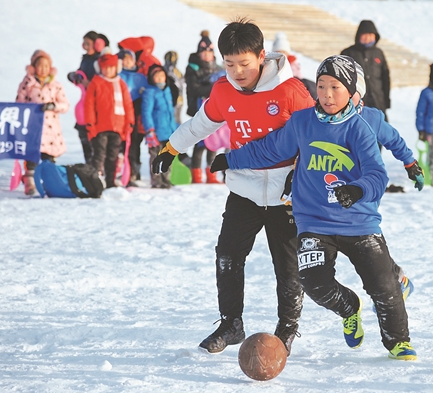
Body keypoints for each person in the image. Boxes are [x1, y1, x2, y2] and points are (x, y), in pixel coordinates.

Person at [210, 55, 417, 361]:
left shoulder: (361, 125)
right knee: (314, 282)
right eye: (321, 86)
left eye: (335, 87)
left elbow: (377, 173)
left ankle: (398, 340)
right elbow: (272, 148)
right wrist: (232, 158)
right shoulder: (302, 122)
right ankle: (350, 308)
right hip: (314, 221)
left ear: (352, 91)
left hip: (358, 221)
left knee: (383, 285)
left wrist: (359, 188)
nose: (327, 94)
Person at [151, 19, 314, 356]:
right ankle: (231, 323)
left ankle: (287, 327)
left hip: (288, 192)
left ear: (261, 56)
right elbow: (201, 124)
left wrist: (304, 174)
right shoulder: (223, 91)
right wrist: (172, 147)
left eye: (244, 64)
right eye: (229, 64)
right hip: (245, 188)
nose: (237, 72)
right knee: (227, 254)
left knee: (287, 264)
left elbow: (316, 136)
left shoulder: (289, 91)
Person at [15, 50, 70, 195]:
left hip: (51, 128)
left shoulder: (55, 85)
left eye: (46, 66)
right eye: (40, 65)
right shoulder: (27, 83)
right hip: (32, 126)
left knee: (49, 158)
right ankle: (30, 182)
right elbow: (19, 103)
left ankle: (50, 183)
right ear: (34, 67)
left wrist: (54, 106)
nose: (43, 69)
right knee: (32, 155)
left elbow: (65, 105)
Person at [84, 49, 134, 189]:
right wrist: (90, 124)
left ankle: (110, 181)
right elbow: (89, 105)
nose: (108, 71)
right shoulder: (96, 83)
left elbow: (127, 104)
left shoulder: (121, 84)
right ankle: (94, 181)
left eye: (111, 68)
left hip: (118, 127)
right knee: (99, 155)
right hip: (100, 127)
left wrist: (129, 123)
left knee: (113, 157)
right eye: (105, 68)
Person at [184, 32, 223, 184]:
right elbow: (194, 89)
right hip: (198, 109)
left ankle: (212, 174)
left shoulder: (218, 68)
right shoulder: (192, 68)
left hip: (215, 110)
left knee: (213, 142)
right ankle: (196, 174)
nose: (207, 55)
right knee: (200, 143)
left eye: (209, 52)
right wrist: (212, 88)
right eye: (204, 52)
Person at [341, 20, 390, 119]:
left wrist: (386, 100)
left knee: (381, 130)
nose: (368, 38)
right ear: (358, 35)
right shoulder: (348, 53)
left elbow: (385, 78)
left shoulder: (378, 53)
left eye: (371, 34)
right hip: (357, 103)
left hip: (378, 101)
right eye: (365, 34)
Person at [142, 65, 179, 189]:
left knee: (168, 157)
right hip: (156, 131)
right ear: (152, 78)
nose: (160, 78)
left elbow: (171, 112)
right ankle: (156, 180)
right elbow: (146, 112)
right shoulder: (150, 92)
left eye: (162, 76)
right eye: (156, 76)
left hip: (169, 131)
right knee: (156, 156)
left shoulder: (167, 91)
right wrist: (150, 130)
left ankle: (166, 179)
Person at [68, 31, 101, 164]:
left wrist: (91, 83)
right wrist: (76, 77)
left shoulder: (99, 60)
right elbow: (78, 75)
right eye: (84, 43)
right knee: (83, 134)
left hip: (96, 103)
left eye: (88, 43)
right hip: (84, 101)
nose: (85, 46)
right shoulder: (85, 59)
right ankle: (89, 165)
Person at [118, 48, 148, 186]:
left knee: (134, 144)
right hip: (120, 114)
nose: (126, 62)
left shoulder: (141, 78)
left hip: (136, 115)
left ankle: (135, 172)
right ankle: (121, 172)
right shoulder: (117, 76)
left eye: (129, 59)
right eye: (123, 60)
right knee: (120, 144)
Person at [272, 32, 316, 100]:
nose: (281, 54)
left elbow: (299, 79)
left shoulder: (293, 64)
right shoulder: (271, 64)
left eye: (283, 52)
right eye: (278, 52)